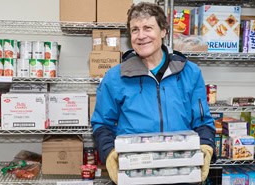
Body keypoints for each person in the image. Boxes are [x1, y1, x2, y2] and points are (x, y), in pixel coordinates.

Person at [91, 2, 215, 184]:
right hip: (134, 173)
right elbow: (101, 124)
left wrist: (206, 147)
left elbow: (203, 121)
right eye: (135, 30)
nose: (141, 36)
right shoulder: (115, 77)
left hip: (182, 172)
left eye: (148, 28)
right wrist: (110, 153)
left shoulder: (189, 73)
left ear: (164, 31)